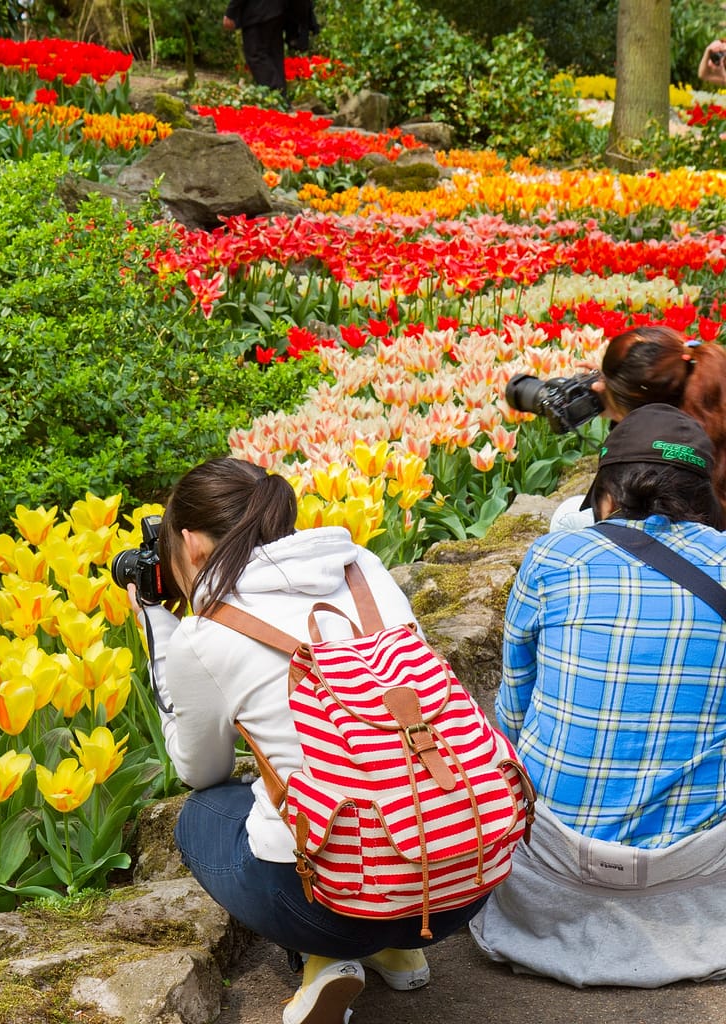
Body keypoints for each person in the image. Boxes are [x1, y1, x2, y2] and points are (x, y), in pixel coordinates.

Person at [130, 457, 488, 1024]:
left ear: (192, 544)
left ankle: (332, 954)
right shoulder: (361, 567)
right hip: (463, 880)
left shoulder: (205, 634)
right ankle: (396, 948)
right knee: (358, 775)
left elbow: (199, 771)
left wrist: (161, 636)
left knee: (205, 814)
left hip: (328, 908)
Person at [471, 404, 726, 987]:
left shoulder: (552, 558)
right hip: (696, 877)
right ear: (703, 494)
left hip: (556, 868)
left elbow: (511, 716)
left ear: (606, 493)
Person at [549, 325, 726, 530]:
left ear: (645, 411)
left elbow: (617, 507)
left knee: (567, 515)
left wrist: (619, 413)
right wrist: (622, 392)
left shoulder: (667, 452)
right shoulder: (711, 386)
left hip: (690, 541)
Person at [223, 0, 288, 100]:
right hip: (277, 11)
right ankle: (281, 98)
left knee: (256, 54)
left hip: (257, 12)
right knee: (273, 54)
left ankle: (275, 95)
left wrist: (231, 12)